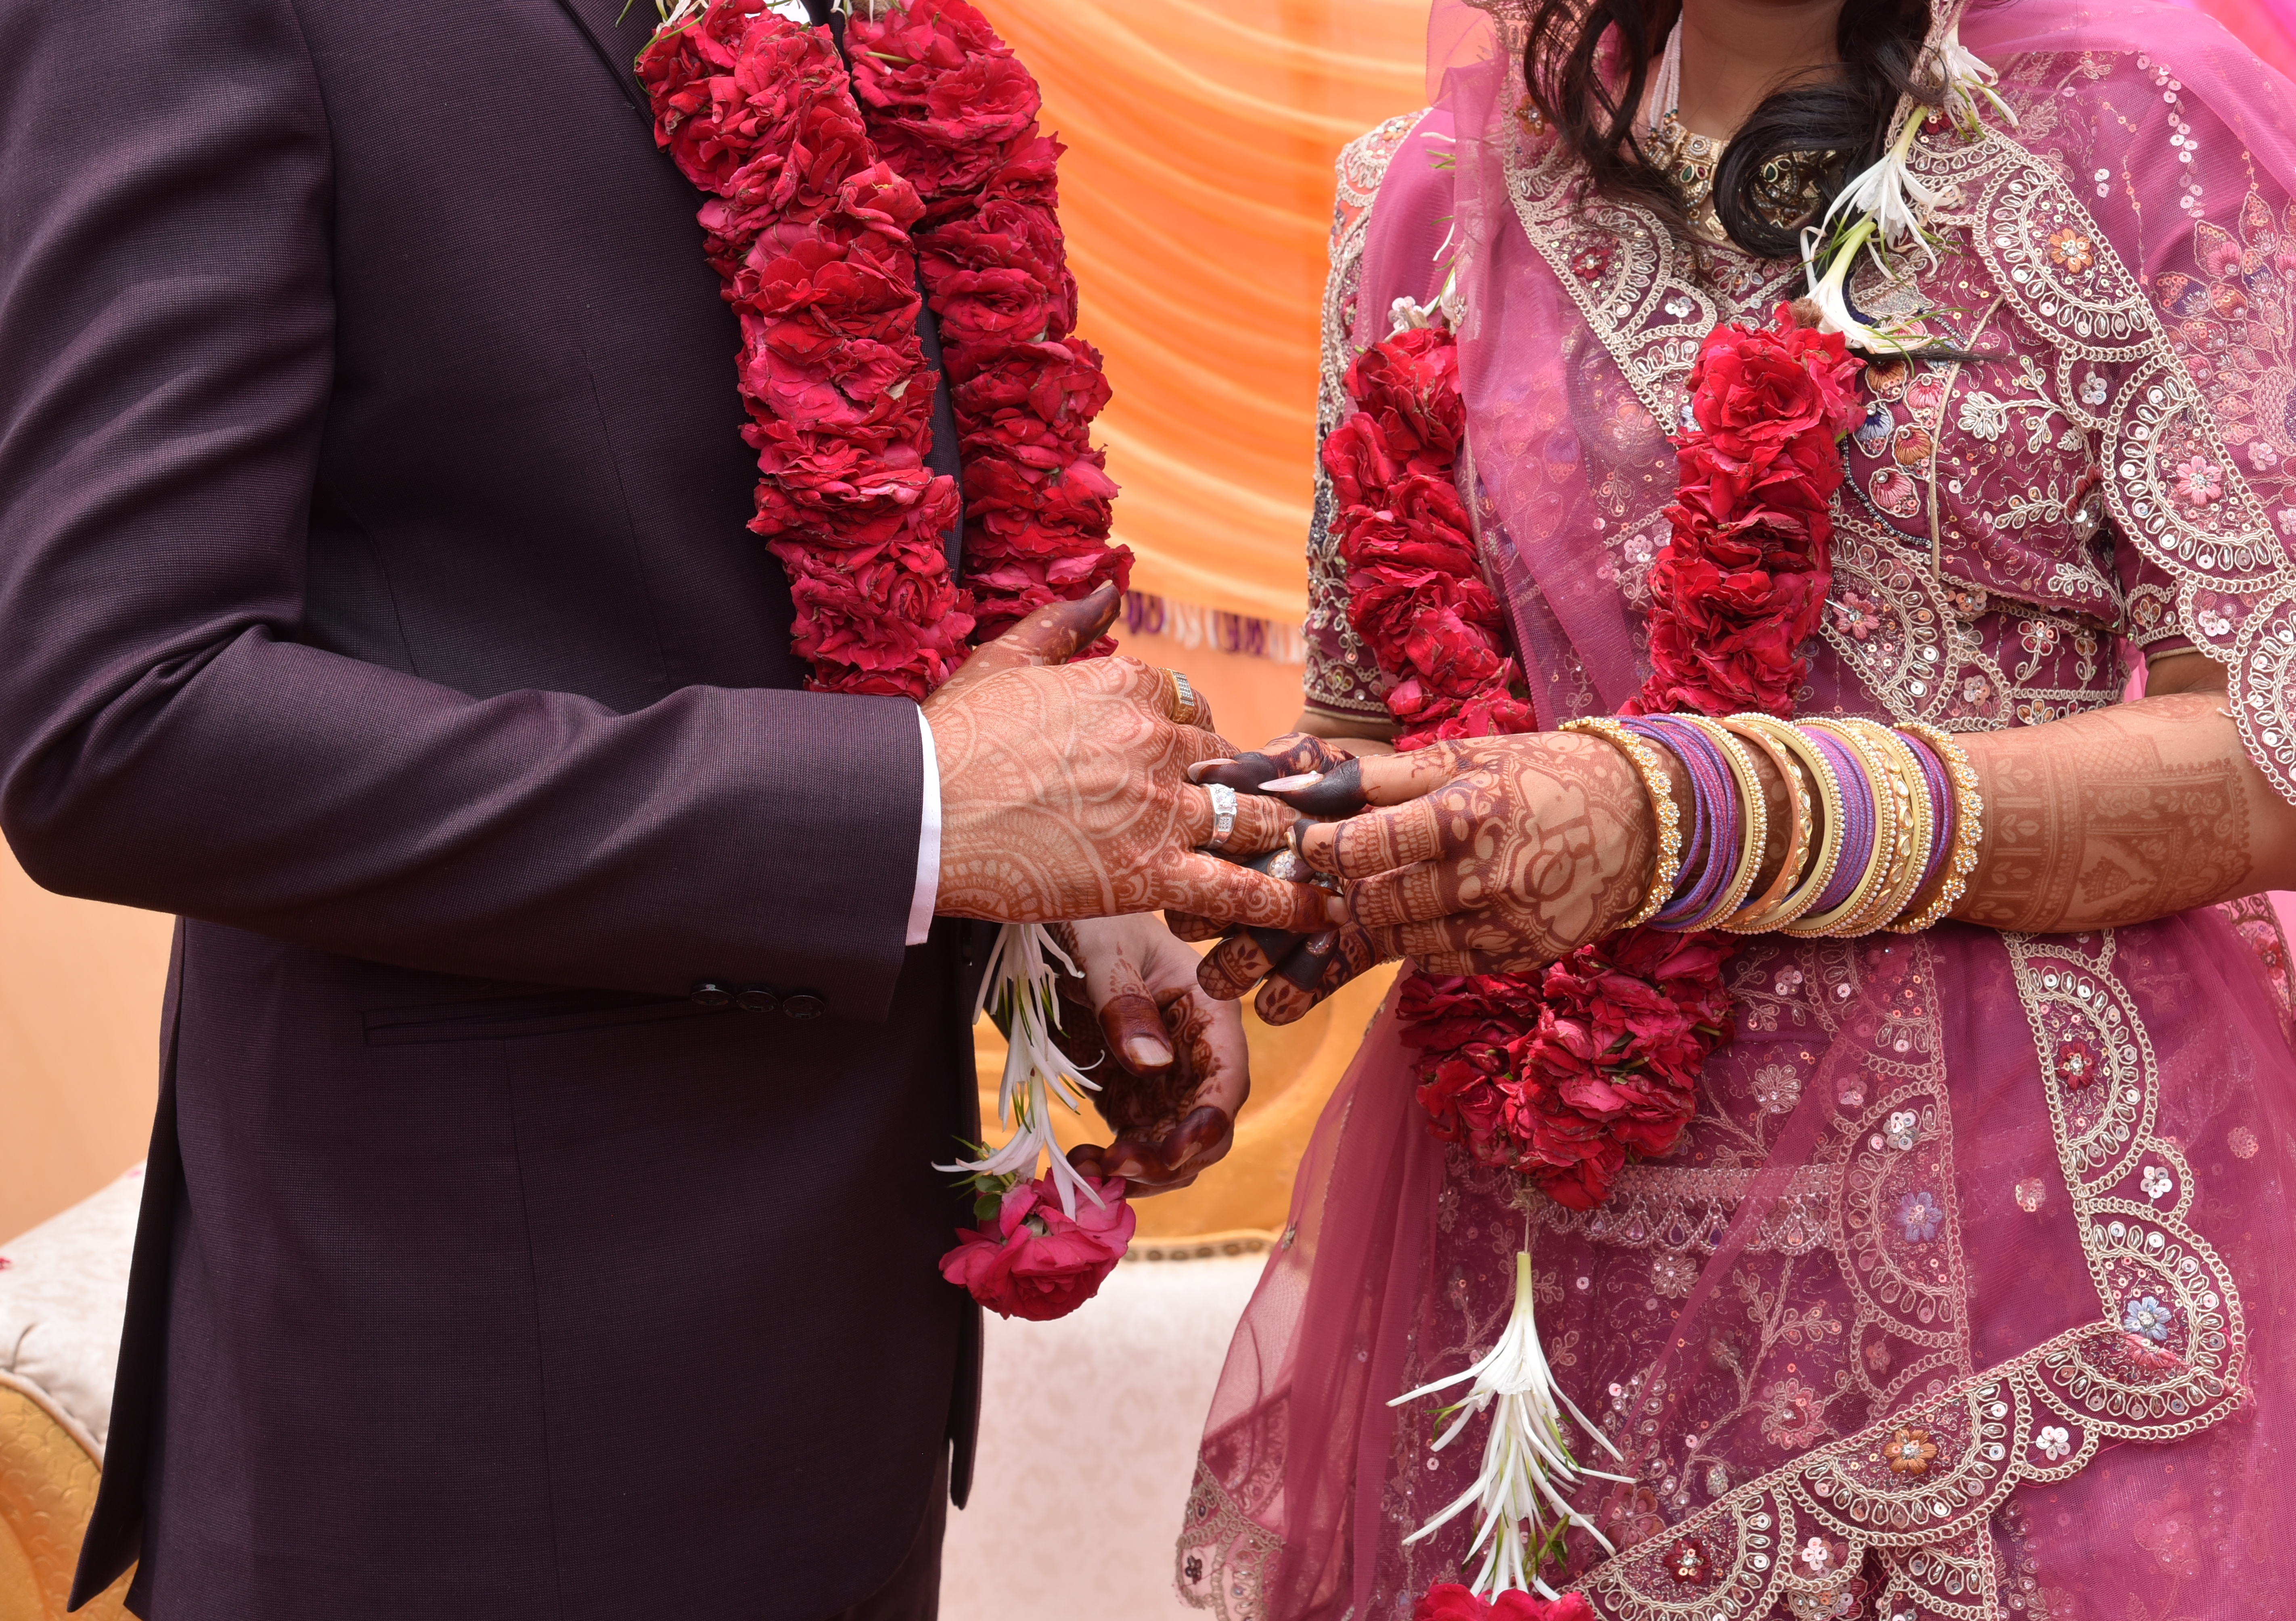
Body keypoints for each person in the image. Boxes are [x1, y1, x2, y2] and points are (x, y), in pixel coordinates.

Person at [0, 0, 1324, 1616]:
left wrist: (1059, 902)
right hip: (462, 1414)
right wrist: (907, 806)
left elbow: (799, 604)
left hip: (845, 1375)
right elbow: (125, 720)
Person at [1179, 1, 2296, 1617]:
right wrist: (1235, 868)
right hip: (1543, 1295)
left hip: (2027, 1302)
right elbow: (1383, 723)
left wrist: (1700, 815)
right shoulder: (1435, 195)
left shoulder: (2131, 130)